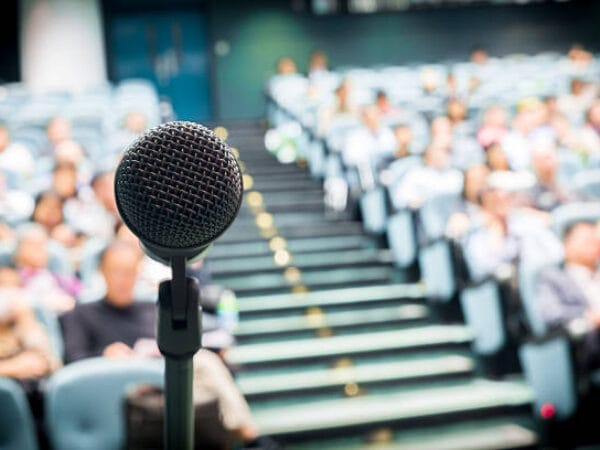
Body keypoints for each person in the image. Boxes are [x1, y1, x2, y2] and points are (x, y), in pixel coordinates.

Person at [60, 241, 268, 447]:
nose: (123, 279)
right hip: (126, 389)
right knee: (205, 366)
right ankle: (252, 438)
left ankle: (244, 437)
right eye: (116, 271)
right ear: (102, 271)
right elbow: (73, 357)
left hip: (170, 375)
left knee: (206, 370)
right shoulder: (81, 314)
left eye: (129, 272)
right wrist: (104, 353)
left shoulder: (151, 307)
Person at [537, 222, 600, 367]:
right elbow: (551, 314)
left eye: (595, 240)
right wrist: (590, 316)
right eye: (586, 241)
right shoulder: (553, 278)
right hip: (588, 340)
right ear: (566, 245)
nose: (593, 244)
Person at [0, 267, 60, 381]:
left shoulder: (24, 322)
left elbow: (53, 364)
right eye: (2, 286)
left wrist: (25, 319)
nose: (8, 294)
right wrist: (10, 368)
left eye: (14, 287)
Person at [14, 224, 79, 313]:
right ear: (19, 249)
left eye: (43, 245)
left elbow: (82, 293)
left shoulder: (58, 277)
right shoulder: (13, 277)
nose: (40, 250)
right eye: (33, 245)